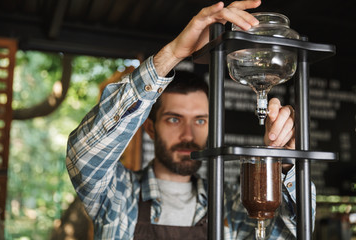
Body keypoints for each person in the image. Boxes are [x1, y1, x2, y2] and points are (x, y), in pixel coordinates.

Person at [66, 1, 315, 239]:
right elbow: (84, 156)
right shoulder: (117, 194)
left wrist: (285, 164)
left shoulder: (230, 205)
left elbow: (288, 233)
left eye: (200, 121)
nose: (188, 134)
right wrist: (174, 53)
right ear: (151, 128)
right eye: (174, 120)